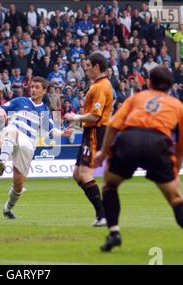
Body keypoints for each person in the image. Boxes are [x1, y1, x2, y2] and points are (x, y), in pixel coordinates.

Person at [93, 66, 183, 252]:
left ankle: (114, 233)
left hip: (129, 139)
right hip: (157, 143)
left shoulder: (136, 98)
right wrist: (176, 167)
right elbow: (182, 145)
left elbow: (113, 126)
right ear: (171, 86)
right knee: (175, 197)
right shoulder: (179, 106)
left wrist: (103, 153)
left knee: (109, 185)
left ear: (148, 82)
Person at [0, 76, 73, 219]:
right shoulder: (20, 101)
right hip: (13, 135)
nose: (33, 90)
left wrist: (62, 133)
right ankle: (2, 161)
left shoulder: (44, 111)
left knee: (18, 185)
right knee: (11, 131)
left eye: (37, 87)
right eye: (32, 87)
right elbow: (0, 108)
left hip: (27, 146)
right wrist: (1, 113)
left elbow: (51, 130)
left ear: (44, 91)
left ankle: (7, 208)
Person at [64, 53, 114, 227]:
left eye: (87, 65)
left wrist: (75, 117)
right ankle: (103, 214)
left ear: (96, 67)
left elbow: (95, 115)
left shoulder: (100, 87)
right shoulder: (98, 85)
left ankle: (104, 215)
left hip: (95, 132)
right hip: (90, 131)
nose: (85, 68)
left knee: (85, 175)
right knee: (77, 175)